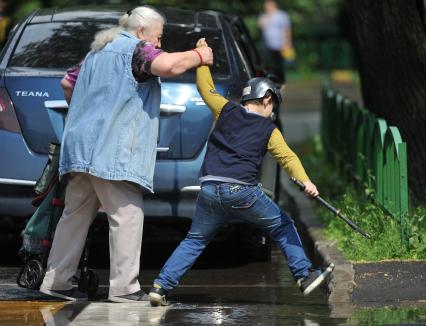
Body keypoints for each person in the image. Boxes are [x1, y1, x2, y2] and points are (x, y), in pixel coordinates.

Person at [39, 6, 213, 303]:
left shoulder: (97, 51)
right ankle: (124, 288)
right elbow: (168, 66)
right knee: (128, 215)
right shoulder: (137, 50)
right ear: (142, 32)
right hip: (111, 150)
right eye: (158, 37)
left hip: (81, 147)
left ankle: (56, 281)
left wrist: (93, 107)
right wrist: (199, 57)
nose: (158, 44)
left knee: (74, 216)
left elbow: (67, 83)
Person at [148, 39, 334, 306]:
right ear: (267, 98)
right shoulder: (269, 130)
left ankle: (160, 287)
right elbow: (287, 157)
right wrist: (306, 182)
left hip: (209, 189)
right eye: (274, 105)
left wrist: (202, 58)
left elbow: (205, 87)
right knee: (283, 225)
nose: (273, 112)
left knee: (194, 240)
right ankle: (304, 276)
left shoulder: (225, 109)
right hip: (243, 191)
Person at [258, 0, 294, 83]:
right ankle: (271, 80)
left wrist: (287, 42)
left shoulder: (281, 15)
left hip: (279, 45)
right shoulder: (264, 15)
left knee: (279, 65)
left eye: (268, 5)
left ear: (274, 5)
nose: (266, 6)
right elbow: (260, 25)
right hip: (267, 45)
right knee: (269, 64)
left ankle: (281, 81)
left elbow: (287, 29)